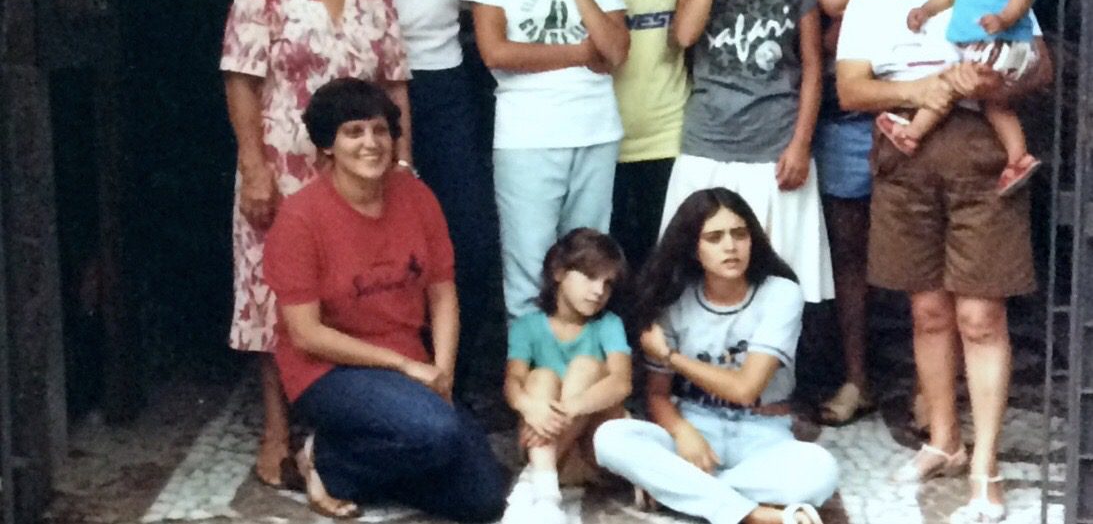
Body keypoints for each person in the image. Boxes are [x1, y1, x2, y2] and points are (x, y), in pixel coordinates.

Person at [241, 0, 496, 378]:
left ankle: (448, 369)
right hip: (363, 96)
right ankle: (373, 367)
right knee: (365, 233)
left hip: (442, 84)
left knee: (468, 235)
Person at [836, 0, 1050, 524]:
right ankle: (944, 441)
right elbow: (850, 90)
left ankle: (983, 464)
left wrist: (996, 88)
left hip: (979, 150)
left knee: (979, 317)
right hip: (907, 158)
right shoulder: (869, 0)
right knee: (926, 314)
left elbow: (1038, 65)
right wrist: (916, 90)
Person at [220, 0, 411, 488]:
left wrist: (403, 164)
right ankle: (277, 429)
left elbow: (394, 87)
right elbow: (241, 78)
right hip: (281, 165)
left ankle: (334, 425)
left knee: (348, 297)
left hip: (359, 175)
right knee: (276, 299)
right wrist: (253, 166)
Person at [263, 77, 506, 521]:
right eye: (353, 132)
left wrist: (444, 373)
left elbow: (442, 291)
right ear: (328, 145)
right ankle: (326, 460)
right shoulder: (300, 218)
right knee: (435, 432)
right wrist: (404, 367)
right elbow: (306, 334)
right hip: (330, 370)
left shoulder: (416, 196)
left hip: (410, 365)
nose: (371, 143)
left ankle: (360, 468)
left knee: (484, 497)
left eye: (380, 131)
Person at [593, 187, 839, 524]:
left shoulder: (781, 294)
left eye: (740, 234)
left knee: (819, 471)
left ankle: (682, 492)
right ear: (693, 249)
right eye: (714, 237)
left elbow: (745, 389)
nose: (730, 246)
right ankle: (752, 514)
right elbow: (657, 395)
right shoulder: (674, 301)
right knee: (611, 438)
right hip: (697, 426)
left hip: (764, 432)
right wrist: (682, 431)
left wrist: (671, 357)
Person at [461, 0, 630, 320]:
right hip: (529, 134)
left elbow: (616, 50)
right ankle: (530, 382)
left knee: (591, 265)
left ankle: (581, 377)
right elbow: (495, 51)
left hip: (596, 129)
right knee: (530, 266)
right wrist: (582, 52)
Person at [663, 0, 833, 305]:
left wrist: (800, 144)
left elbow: (813, 68)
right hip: (708, 142)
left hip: (773, 147)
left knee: (773, 276)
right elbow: (684, 34)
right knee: (698, 272)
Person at [779, 0, 876, 425]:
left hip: (888, 109)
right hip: (824, 115)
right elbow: (801, 34)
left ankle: (892, 375)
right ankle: (842, 373)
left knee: (889, 254)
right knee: (833, 255)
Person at [887, 0, 1041, 195]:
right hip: (989, 43)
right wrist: (926, 10)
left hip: (1004, 43)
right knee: (995, 105)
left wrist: (1003, 18)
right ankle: (1018, 157)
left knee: (949, 82)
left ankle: (911, 134)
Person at [592, 0, 701, 268]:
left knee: (667, 252)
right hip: (603, 126)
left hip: (667, 125)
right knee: (612, 254)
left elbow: (686, 34)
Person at [502, 228, 632, 524]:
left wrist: (572, 407)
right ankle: (546, 491)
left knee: (585, 366)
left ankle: (532, 483)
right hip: (548, 452)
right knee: (540, 378)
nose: (599, 291)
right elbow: (513, 381)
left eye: (608, 283)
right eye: (590, 277)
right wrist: (529, 407)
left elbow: (622, 382)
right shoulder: (527, 326)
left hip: (590, 454)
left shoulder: (608, 324)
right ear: (559, 272)